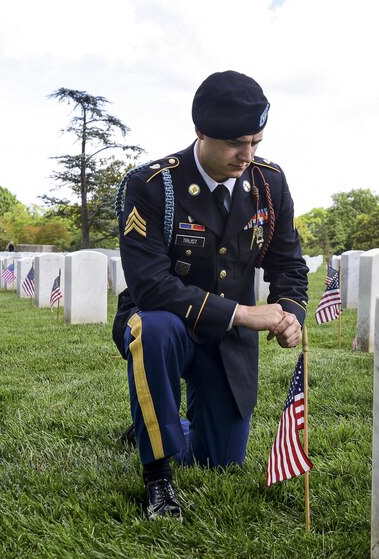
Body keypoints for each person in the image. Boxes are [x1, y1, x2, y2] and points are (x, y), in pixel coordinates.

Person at [113, 71, 308, 519]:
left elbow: (289, 265)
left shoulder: (269, 185)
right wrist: (244, 314)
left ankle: (156, 424)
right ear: (201, 132)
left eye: (256, 141)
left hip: (226, 340)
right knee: (154, 329)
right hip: (166, 321)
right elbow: (151, 286)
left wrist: (290, 311)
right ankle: (158, 478)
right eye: (237, 142)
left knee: (218, 460)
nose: (248, 154)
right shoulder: (152, 185)